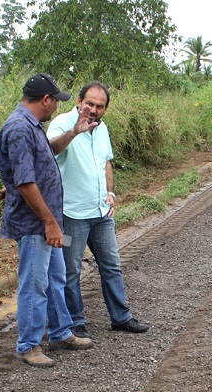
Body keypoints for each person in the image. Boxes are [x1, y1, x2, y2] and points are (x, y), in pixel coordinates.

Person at [0, 73, 93, 368]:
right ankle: (28, 344)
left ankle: (61, 331)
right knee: (34, 283)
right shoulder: (19, 129)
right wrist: (50, 223)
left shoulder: (33, 126)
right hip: (36, 223)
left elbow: (44, 156)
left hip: (47, 221)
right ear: (46, 100)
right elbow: (26, 182)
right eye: (56, 100)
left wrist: (75, 132)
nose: (56, 107)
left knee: (55, 277)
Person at [47, 82, 149, 338]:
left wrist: (110, 193)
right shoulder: (61, 122)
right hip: (72, 213)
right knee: (71, 270)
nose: (93, 110)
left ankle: (121, 317)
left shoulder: (103, 130)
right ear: (79, 101)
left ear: (106, 109)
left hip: (101, 213)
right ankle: (75, 321)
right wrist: (74, 131)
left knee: (112, 265)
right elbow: (48, 151)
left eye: (99, 106)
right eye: (89, 103)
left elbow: (106, 163)